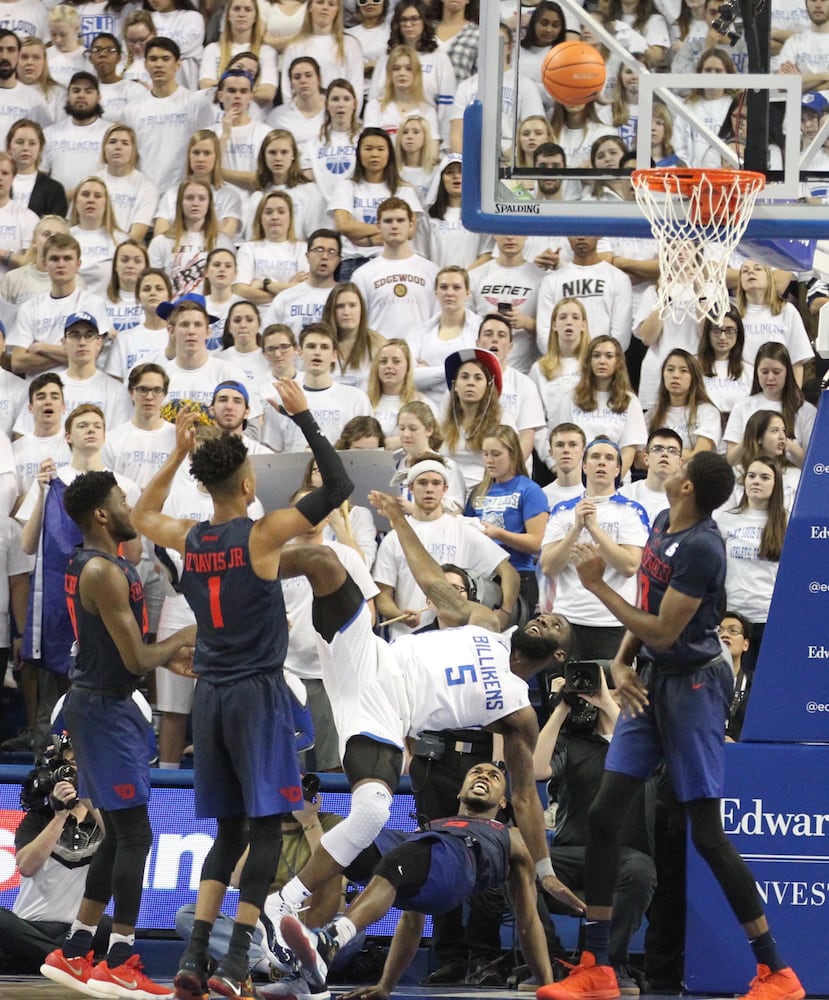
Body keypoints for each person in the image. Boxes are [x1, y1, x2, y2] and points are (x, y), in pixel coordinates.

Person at [266, 490, 583, 995]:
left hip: (384, 719)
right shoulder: (485, 625)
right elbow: (434, 580)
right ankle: (239, 573)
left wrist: (543, 870)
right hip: (369, 658)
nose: (546, 620)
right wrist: (398, 519)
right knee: (325, 560)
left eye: (557, 626)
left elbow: (523, 796)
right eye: (545, 614)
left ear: (560, 655)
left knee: (371, 812)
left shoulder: (519, 712)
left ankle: (282, 903)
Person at [547, 451, 805, 1000]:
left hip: (692, 686)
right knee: (603, 813)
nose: (670, 462)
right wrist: (620, 659)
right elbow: (647, 596)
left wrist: (596, 587)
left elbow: (666, 631)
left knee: (707, 835)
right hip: (651, 675)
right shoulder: (663, 521)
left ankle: (776, 971)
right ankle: (597, 967)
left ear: (685, 486)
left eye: (680, 462)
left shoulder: (706, 547)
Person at [131, 381, 353, 1000]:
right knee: (263, 830)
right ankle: (232, 966)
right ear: (249, 486)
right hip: (258, 696)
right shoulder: (262, 536)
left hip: (211, 698)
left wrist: (177, 454)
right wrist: (306, 417)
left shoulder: (191, 538)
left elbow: (139, 516)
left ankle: (191, 962)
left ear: (205, 485)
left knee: (225, 834)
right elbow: (338, 489)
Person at [39, 469, 196, 999]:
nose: (130, 506)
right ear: (102, 514)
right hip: (103, 709)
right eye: (122, 499)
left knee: (121, 833)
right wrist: (193, 634)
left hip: (105, 703)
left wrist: (169, 660)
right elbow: (137, 656)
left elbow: (127, 656)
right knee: (137, 835)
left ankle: (77, 948)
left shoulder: (106, 564)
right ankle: (121, 957)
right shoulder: (104, 571)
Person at [279, 762, 554, 997]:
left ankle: (332, 940)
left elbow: (527, 920)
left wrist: (547, 986)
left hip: (459, 865)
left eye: (494, 777)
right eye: (477, 772)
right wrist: (385, 986)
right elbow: (412, 919)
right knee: (345, 841)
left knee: (402, 856)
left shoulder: (512, 836)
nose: (483, 776)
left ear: (503, 801)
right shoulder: (431, 828)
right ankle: (307, 968)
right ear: (460, 790)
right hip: (423, 856)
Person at [533, 669, 656, 996]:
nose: (606, 693)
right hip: (574, 854)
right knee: (517, 862)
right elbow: (535, 768)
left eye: (615, 690)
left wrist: (606, 700)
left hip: (625, 857)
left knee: (641, 869)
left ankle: (611, 964)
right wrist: (561, 708)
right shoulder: (574, 742)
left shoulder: (644, 742)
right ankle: (552, 958)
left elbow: (641, 749)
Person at [373, 452, 520, 636]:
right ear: (410, 487)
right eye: (422, 482)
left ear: (445, 488)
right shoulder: (394, 538)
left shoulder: (464, 531)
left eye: (435, 483)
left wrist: (504, 612)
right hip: (409, 639)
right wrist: (398, 614)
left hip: (454, 637)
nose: (429, 489)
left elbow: (509, 573)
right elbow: (383, 594)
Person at [0, 734, 108, 974]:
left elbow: (124, 845)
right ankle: (68, 961)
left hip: (80, 928)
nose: (72, 773)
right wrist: (59, 815)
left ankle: (48, 959)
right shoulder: (38, 818)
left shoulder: (102, 819)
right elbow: (27, 866)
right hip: (30, 926)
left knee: (109, 926)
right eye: (68, 765)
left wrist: (89, 799)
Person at [540, 437, 648, 660]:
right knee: (561, 690)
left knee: (609, 691)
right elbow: (549, 567)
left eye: (609, 458)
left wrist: (594, 528)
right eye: (595, 457)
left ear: (618, 469)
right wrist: (576, 528)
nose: (602, 463)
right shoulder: (563, 510)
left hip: (613, 620)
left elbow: (629, 565)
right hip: (567, 618)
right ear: (584, 465)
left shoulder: (631, 510)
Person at [714, 456, 788, 676]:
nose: (756, 481)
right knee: (731, 683)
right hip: (733, 617)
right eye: (752, 476)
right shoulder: (725, 520)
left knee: (766, 682)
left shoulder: (787, 522)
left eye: (765, 477)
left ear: (776, 484)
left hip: (769, 618)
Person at [466, 424, 549, 616]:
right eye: (486, 454)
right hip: (481, 576)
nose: (489, 460)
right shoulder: (478, 492)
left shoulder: (529, 490)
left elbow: (537, 543)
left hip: (519, 575)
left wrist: (499, 534)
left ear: (512, 454)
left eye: (496, 454)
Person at [352, 195, 439, 335]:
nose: (394, 226)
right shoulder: (362, 275)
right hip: (379, 354)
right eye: (388, 221)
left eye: (400, 220)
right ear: (378, 226)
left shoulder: (432, 271)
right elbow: (357, 325)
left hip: (419, 354)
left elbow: (438, 320)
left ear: (411, 225)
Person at [536, 236, 633, 356]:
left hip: (602, 365)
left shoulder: (619, 278)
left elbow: (621, 335)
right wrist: (565, 360)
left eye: (586, 232)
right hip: (562, 364)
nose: (581, 237)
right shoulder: (551, 281)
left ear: (599, 235)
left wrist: (600, 359)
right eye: (575, 233)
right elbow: (544, 333)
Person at [41, 72, 110, 203]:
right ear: (68, 96)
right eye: (76, 90)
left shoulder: (110, 133)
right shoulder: (50, 133)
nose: (81, 95)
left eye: (88, 91)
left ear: (98, 97)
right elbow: (41, 176)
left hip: (96, 209)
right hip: (58, 210)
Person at [263, 228, 341, 335]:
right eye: (319, 250)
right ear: (307, 256)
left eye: (331, 252)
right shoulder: (285, 297)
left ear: (338, 260)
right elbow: (267, 335)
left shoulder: (343, 298)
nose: (324, 256)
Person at [619, 427, 683, 528]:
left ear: (680, 463)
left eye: (672, 451)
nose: (665, 454)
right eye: (658, 449)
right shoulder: (624, 495)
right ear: (646, 458)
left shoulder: (686, 502)